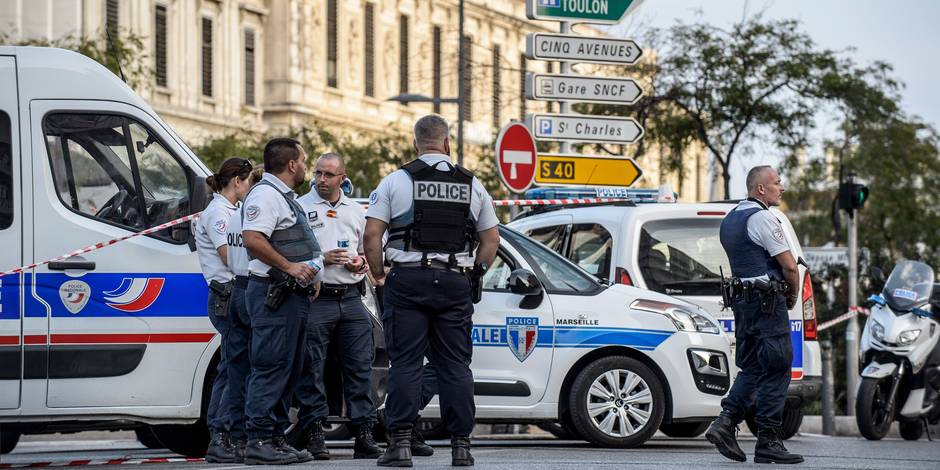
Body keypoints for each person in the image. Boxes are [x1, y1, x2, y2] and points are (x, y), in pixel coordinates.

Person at [364, 114, 500, 467]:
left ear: (415, 144)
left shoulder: (396, 180)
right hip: (455, 281)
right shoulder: (473, 184)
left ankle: (400, 445)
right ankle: (461, 447)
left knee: (406, 362)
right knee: (455, 365)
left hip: (407, 279)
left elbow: (372, 235)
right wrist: (475, 274)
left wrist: (379, 274)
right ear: (447, 143)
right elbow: (491, 240)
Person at [705, 165, 804, 465]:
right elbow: (788, 265)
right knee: (777, 365)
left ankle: (725, 422)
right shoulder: (763, 217)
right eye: (777, 182)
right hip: (767, 304)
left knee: (752, 367)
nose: (781, 187)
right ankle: (769, 440)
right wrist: (792, 295)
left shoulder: (731, 219)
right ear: (761, 189)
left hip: (744, 305)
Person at [294, 153, 382, 460]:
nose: (320, 179)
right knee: (312, 368)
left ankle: (364, 433)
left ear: (342, 178)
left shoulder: (356, 210)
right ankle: (314, 431)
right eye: (317, 173)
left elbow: (363, 253)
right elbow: (289, 255)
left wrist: (361, 263)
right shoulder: (301, 207)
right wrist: (322, 260)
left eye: (328, 174)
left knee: (359, 367)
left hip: (351, 297)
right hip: (316, 299)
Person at [241, 138, 322, 465]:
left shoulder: (282, 197)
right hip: (274, 295)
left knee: (286, 369)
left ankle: (275, 437)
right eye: (303, 160)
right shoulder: (265, 195)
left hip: (291, 295)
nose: (305, 166)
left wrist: (310, 277)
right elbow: (252, 239)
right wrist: (289, 268)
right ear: (291, 164)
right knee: (271, 367)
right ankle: (259, 439)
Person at [194, 157, 253, 463]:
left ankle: (228, 435)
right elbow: (229, 255)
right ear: (237, 181)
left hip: (232, 294)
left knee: (235, 367)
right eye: (248, 181)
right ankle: (220, 436)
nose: (250, 188)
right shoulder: (218, 212)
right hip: (227, 295)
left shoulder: (230, 210)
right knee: (232, 369)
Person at [223, 165, 265, 459]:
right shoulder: (258, 218)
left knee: (237, 371)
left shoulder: (235, 216)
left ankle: (233, 435)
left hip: (236, 287)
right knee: (261, 368)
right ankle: (255, 435)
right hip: (252, 289)